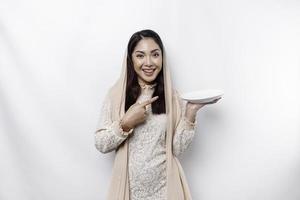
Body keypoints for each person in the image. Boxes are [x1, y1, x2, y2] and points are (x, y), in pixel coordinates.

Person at [94, 29, 221, 200]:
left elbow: (178, 148)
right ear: (130, 60)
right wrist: (126, 123)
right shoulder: (116, 96)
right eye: (140, 55)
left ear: (162, 58)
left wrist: (190, 113)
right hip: (128, 191)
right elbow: (101, 144)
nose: (148, 62)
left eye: (155, 54)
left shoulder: (172, 97)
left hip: (165, 189)